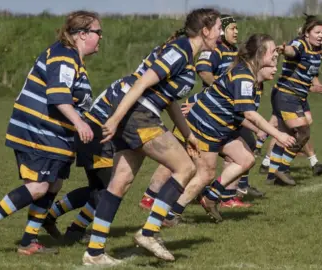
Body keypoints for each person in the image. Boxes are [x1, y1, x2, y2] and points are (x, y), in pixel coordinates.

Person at [81, 8, 222, 266]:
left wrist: (189, 135)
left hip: (137, 112)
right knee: (186, 167)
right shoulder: (178, 52)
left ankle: (94, 251)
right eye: (219, 28)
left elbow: (169, 102)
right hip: (138, 113)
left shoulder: (187, 57)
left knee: (120, 181)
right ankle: (150, 232)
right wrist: (113, 119)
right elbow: (142, 82)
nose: (221, 34)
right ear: (205, 30)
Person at [0, 10, 102, 257]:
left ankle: (29, 241)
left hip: (55, 135)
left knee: (53, 185)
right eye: (97, 32)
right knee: (40, 187)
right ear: (82, 34)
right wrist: (80, 125)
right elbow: (58, 96)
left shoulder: (73, 59)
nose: (100, 37)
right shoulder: (64, 56)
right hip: (39, 131)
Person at [162, 33, 296, 224]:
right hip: (205, 127)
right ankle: (171, 214)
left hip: (220, 130)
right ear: (259, 54)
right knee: (205, 173)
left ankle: (210, 197)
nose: (276, 56)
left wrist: (260, 130)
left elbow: (239, 114)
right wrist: (278, 134)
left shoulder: (252, 79)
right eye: (272, 51)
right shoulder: (243, 77)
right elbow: (249, 114)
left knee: (246, 159)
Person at [41, 91, 115, 245]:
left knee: (97, 190)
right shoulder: (137, 88)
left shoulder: (129, 84)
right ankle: (77, 230)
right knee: (107, 191)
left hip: (93, 133)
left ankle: (52, 218)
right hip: (96, 136)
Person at [265, 14, 322, 186]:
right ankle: (283, 169)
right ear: (307, 33)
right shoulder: (300, 44)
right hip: (287, 95)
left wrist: (317, 87)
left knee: (286, 135)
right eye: (317, 32)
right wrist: (285, 49)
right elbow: (292, 52)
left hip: (293, 96)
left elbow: (309, 73)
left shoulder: (317, 51)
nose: (321, 35)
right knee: (303, 133)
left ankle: (272, 174)